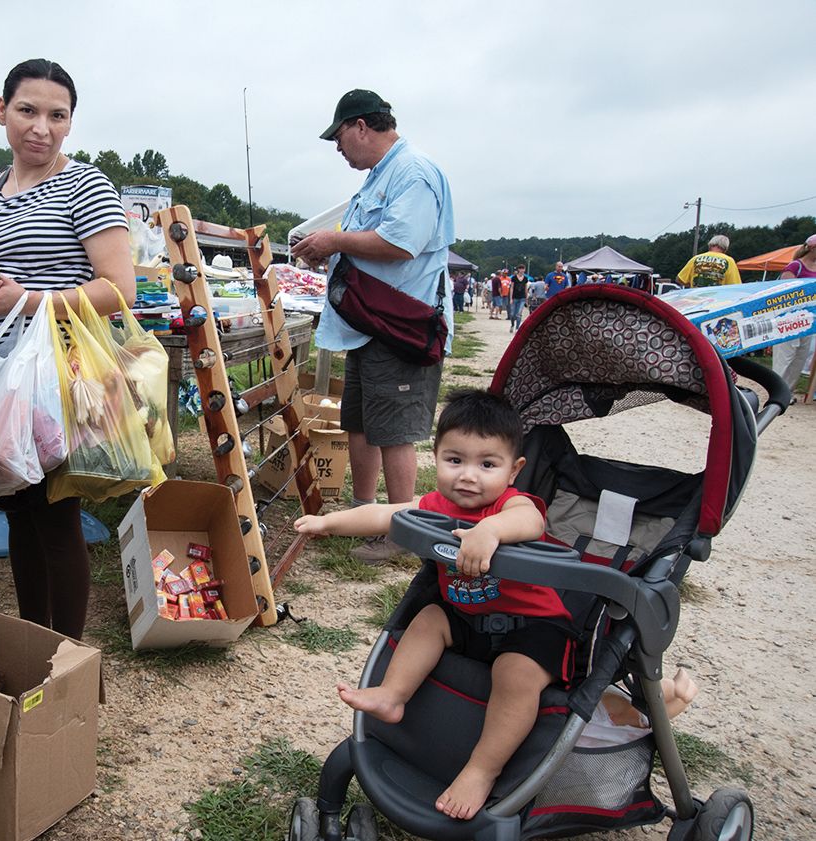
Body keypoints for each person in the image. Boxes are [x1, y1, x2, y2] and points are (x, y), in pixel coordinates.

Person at [295, 389, 571, 821]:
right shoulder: (436, 505)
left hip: (532, 626)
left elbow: (530, 520)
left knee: (515, 674)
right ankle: (392, 695)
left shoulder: (510, 504)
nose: (468, 476)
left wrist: (492, 531)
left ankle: (481, 770)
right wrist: (328, 523)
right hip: (468, 619)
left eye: (487, 464)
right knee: (428, 617)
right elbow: (388, 514)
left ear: (514, 470)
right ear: (436, 457)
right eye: (454, 460)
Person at [0, 59, 135, 640]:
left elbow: (117, 291)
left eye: (57, 115)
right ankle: (32, 640)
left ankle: (66, 656)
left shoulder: (87, 185)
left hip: (57, 373)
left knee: (55, 511)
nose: (40, 127)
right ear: (2, 112)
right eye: (27, 110)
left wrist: (28, 300)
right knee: (16, 506)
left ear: (71, 123)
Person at [289, 88, 454, 565]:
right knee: (359, 423)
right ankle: (364, 513)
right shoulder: (382, 175)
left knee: (394, 430)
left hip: (400, 325)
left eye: (339, 137)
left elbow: (401, 243)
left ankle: (403, 533)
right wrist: (331, 251)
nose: (338, 149)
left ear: (362, 126)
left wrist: (333, 239)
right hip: (369, 325)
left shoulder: (413, 172)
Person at [771, 234, 816, 403]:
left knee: (800, 357)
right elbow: (783, 293)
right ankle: (775, 389)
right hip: (789, 319)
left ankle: (787, 391)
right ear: (812, 248)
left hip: (810, 319)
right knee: (785, 357)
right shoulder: (795, 267)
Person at [676, 234, 742, 288]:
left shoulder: (696, 258)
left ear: (710, 245)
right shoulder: (729, 261)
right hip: (717, 301)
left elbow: (679, 279)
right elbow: (735, 286)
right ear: (725, 249)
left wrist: (693, 285)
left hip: (696, 299)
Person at [507, 264, 530, 332]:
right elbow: (511, 288)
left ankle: (517, 328)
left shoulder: (525, 278)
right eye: (520, 269)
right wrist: (511, 298)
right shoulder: (514, 278)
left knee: (519, 313)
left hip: (522, 298)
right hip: (514, 297)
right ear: (518, 270)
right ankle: (512, 325)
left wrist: (526, 299)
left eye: (523, 269)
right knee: (512, 314)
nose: (522, 270)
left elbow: (526, 288)